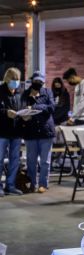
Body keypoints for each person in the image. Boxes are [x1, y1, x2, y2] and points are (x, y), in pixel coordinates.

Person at [19, 71, 55, 194]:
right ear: (32, 81)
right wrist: (27, 112)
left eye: (40, 82)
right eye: (36, 81)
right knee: (31, 161)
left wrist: (35, 108)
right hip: (31, 132)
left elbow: (51, 107)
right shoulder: (25, 94)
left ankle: (43, 184)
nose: (38, 84)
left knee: (45, 161)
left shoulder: (48, 92)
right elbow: (23, 108)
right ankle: (32, 184)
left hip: (46, 131)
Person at [0, 67, 24, 196]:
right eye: (13, 79)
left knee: (14, 160)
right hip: (2, 132)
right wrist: (5, 113)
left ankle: (10, 185)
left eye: (17, 79)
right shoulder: (0, 91)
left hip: (16, 132)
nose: (15, 82)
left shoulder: (20, 93)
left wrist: (26, 114)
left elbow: (23, 108)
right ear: (7, 79)